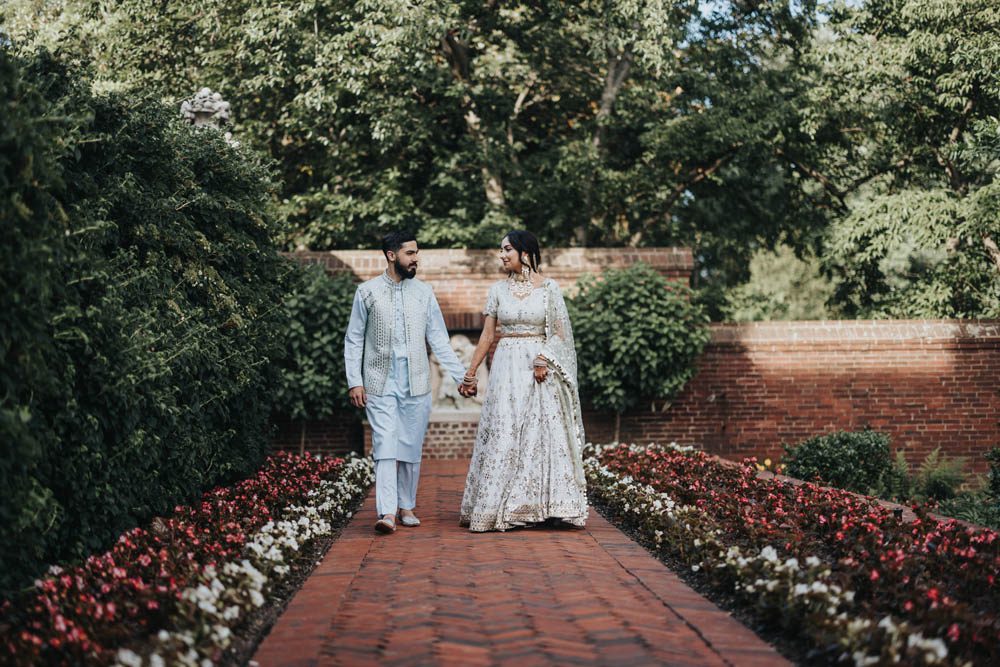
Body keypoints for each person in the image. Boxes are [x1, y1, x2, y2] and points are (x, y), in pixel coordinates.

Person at [458, 230, 588, 532]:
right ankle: (497, 506)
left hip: (538, 370)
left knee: (540, 435)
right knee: (505, 430)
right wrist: (471, 371)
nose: (502, 255)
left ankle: (546, 507)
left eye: (507, 250)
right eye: (501, 250)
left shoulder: (549, 289)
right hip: (505, 368)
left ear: (525, 253)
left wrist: (543, 358)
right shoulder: (497, 290)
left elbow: (559, 333)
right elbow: (488, 335)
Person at [344, 231, 469, 534]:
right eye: (410, 253)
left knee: (409, 447)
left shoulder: (424, 293)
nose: (416, 258)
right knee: (385, 444)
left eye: (416, 253)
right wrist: (355, 382)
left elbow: (439, 340)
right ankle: (387, 512)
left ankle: (406, 506)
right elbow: (354, 338)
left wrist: (460, 376)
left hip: (416, 382)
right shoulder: (367, 292)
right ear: (391, 255)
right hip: (378, 382)